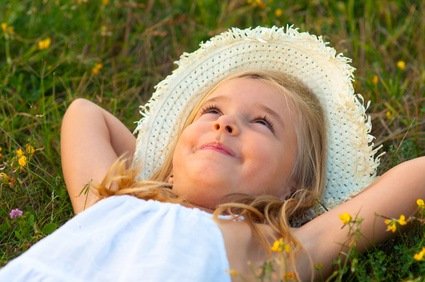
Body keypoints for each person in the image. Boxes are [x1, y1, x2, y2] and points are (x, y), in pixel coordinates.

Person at [0, 26, 424, 281]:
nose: (226, 124)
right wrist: (164, 177)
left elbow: (415, 177)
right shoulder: (111, 200)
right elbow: (83, 113)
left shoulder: (275, 251)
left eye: (262, 122)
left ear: (295, 187)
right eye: (212, 111)